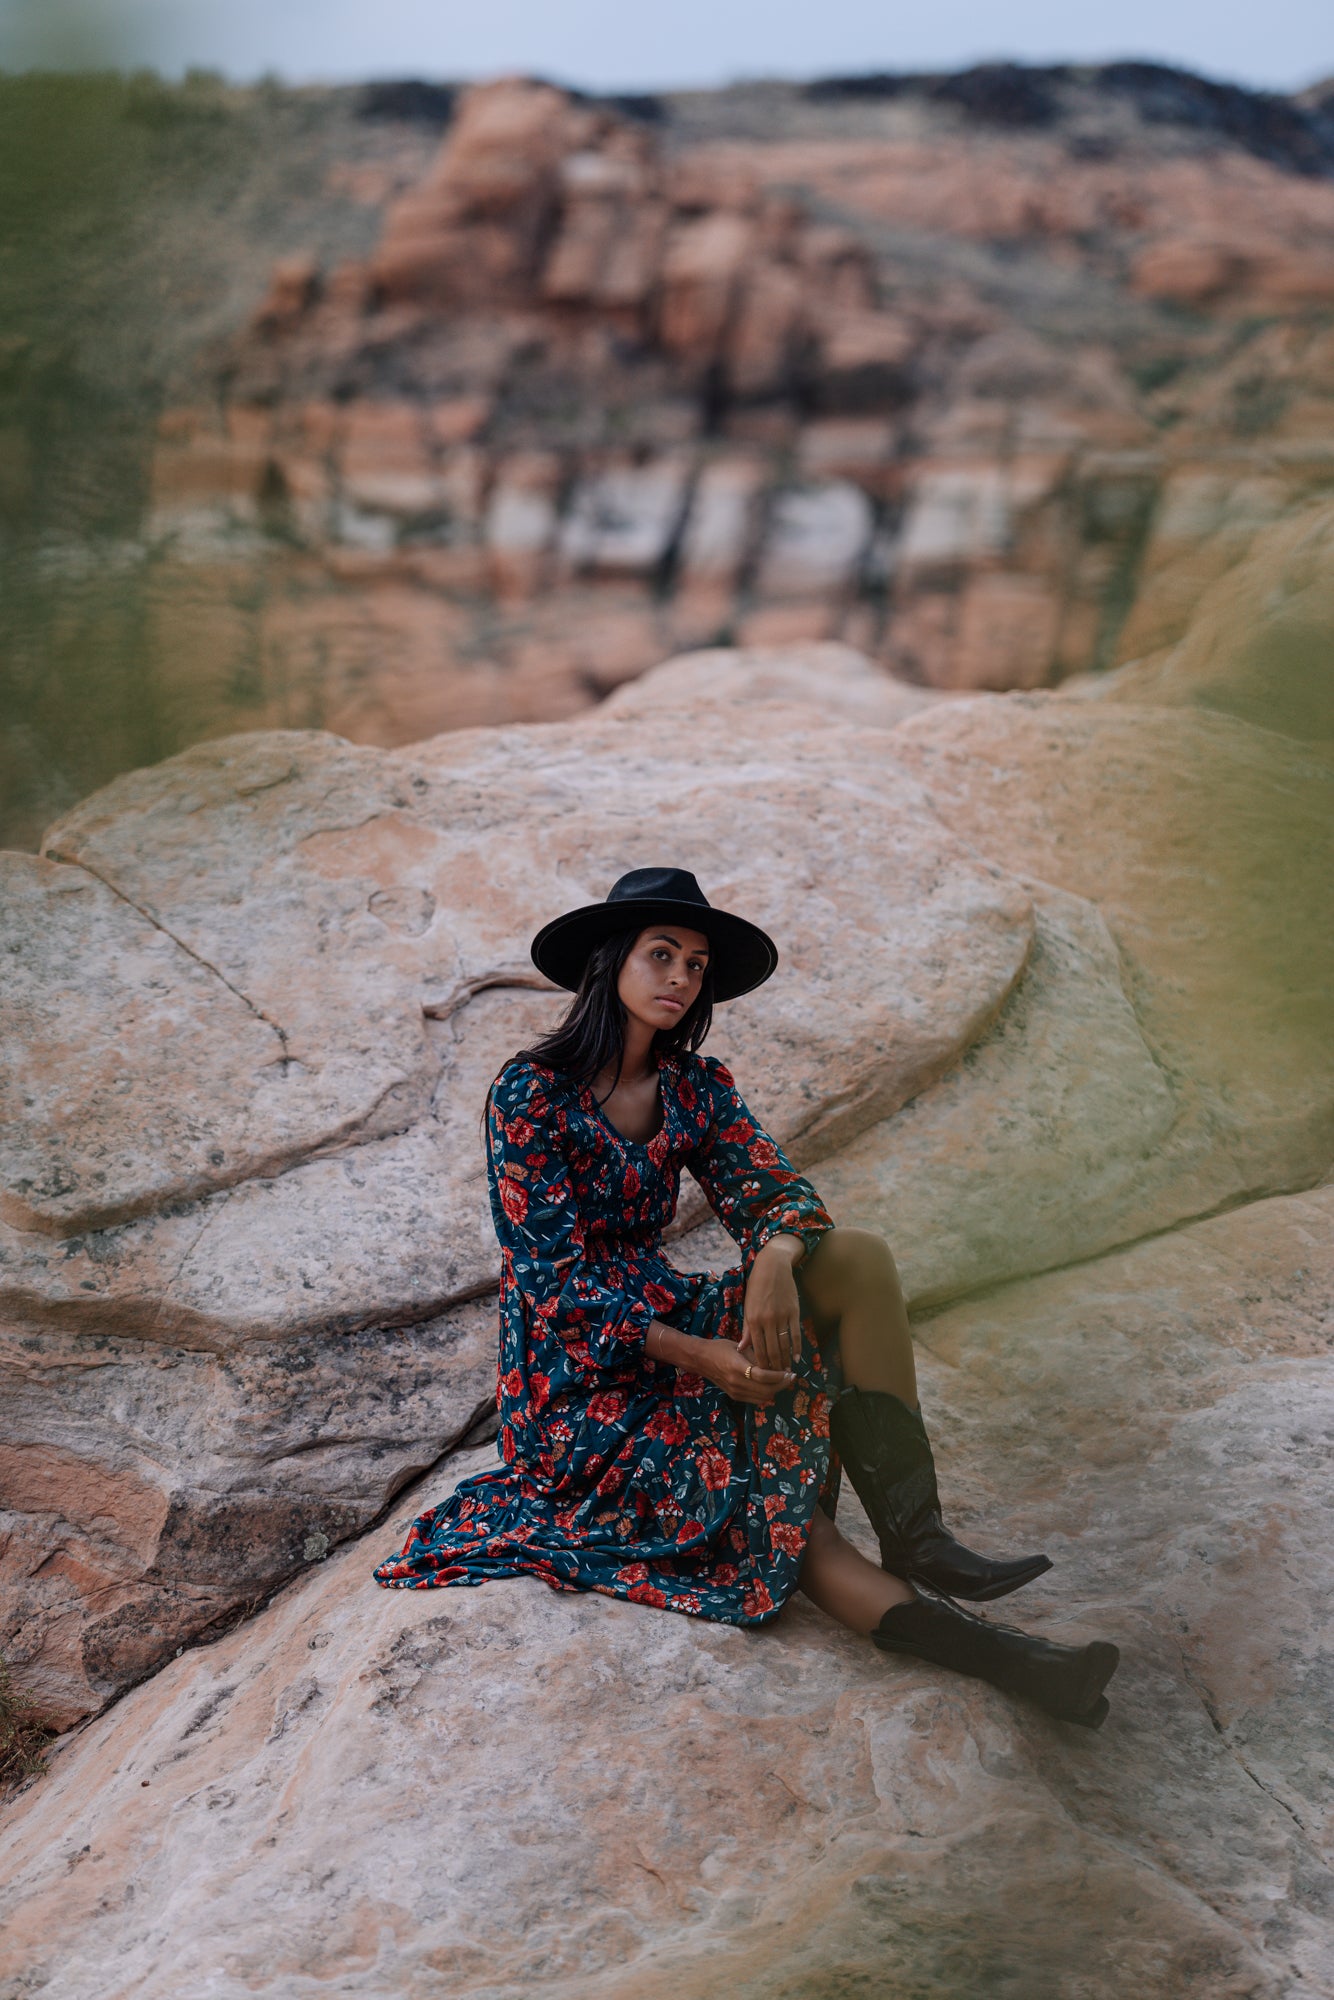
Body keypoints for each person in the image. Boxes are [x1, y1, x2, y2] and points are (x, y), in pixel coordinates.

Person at [374, 867, 1120, 1728]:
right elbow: (551, 1285)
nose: (681, 980)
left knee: (858, 1259)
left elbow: (776, 1192)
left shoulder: (695, 1084)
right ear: (611, 962)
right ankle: (1026, 1668)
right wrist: (702, 1358)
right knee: (783, 1517)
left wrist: (775, 1253)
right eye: (661, 956)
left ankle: (919, 1534)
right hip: (578, 1384)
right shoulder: (530, 1091)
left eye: (695, 965)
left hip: (675, 1318)